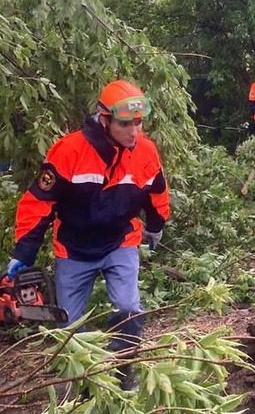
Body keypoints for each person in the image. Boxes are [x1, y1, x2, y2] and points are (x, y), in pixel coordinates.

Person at [6, 79, 169, 390]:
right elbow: (39, 203)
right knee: (69, 326)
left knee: (128, 309)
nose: (134, 131)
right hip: (74, 248)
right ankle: (79, 386)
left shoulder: (145, 150)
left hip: (120, 240)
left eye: (138, 122)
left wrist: (157, 223)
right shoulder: (69, 150)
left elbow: (157, 189)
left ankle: (124, 371)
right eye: (125, 124)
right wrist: (23, 251)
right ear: (104, 119)